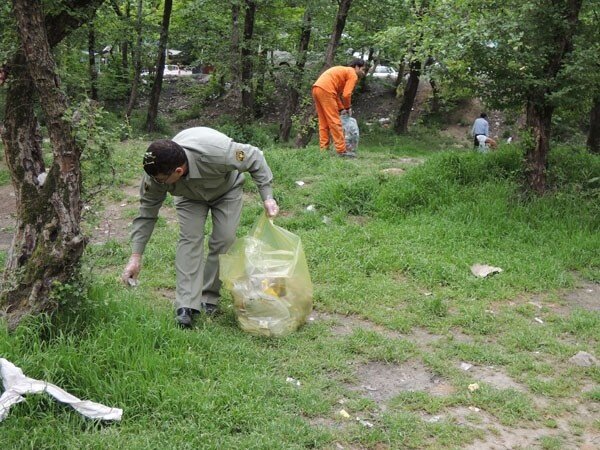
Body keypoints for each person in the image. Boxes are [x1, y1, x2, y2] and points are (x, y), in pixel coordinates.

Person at [121, 127, 279, 328]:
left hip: (226, 192)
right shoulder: (155, 175)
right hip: (189, 198)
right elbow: (146, 214)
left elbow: (254, 157)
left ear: (178, 171)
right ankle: (186, 306)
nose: (156, 182)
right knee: (190, 239)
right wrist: (136, 256)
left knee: (224, 239)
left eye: (161, 179)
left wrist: (268, 197)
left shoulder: (218, 152)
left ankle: (209, 298)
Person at [312, 59, 366, 158]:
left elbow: (335, 94)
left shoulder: (343, 72)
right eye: (363, 69)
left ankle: (323, 150)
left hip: (317, 88)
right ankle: (341, 150)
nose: (363, 72)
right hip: (326, 90)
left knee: (323, 122)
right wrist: (348, 107)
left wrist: (341, 109)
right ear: (357, 67)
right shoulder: (352, 74)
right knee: (334, 121)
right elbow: (346, 95)